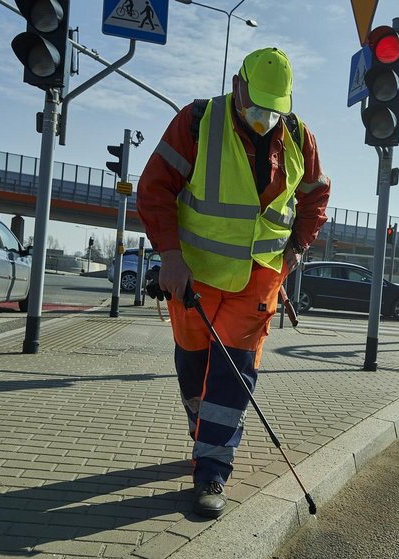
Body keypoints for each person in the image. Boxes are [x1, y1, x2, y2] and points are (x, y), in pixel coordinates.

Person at [137, 47, 331, 517]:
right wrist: (170, 256)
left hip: (257, 282)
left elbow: (315, 198)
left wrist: (292, 255)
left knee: (233, 375)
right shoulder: (198, 121)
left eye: (273, 111)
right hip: (194, 276)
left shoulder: (299, 137)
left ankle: (211, 472)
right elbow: (154, 188)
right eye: (255, 107)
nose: (263, 119)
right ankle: (202, 433)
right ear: (237, 85)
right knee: (192, 368)